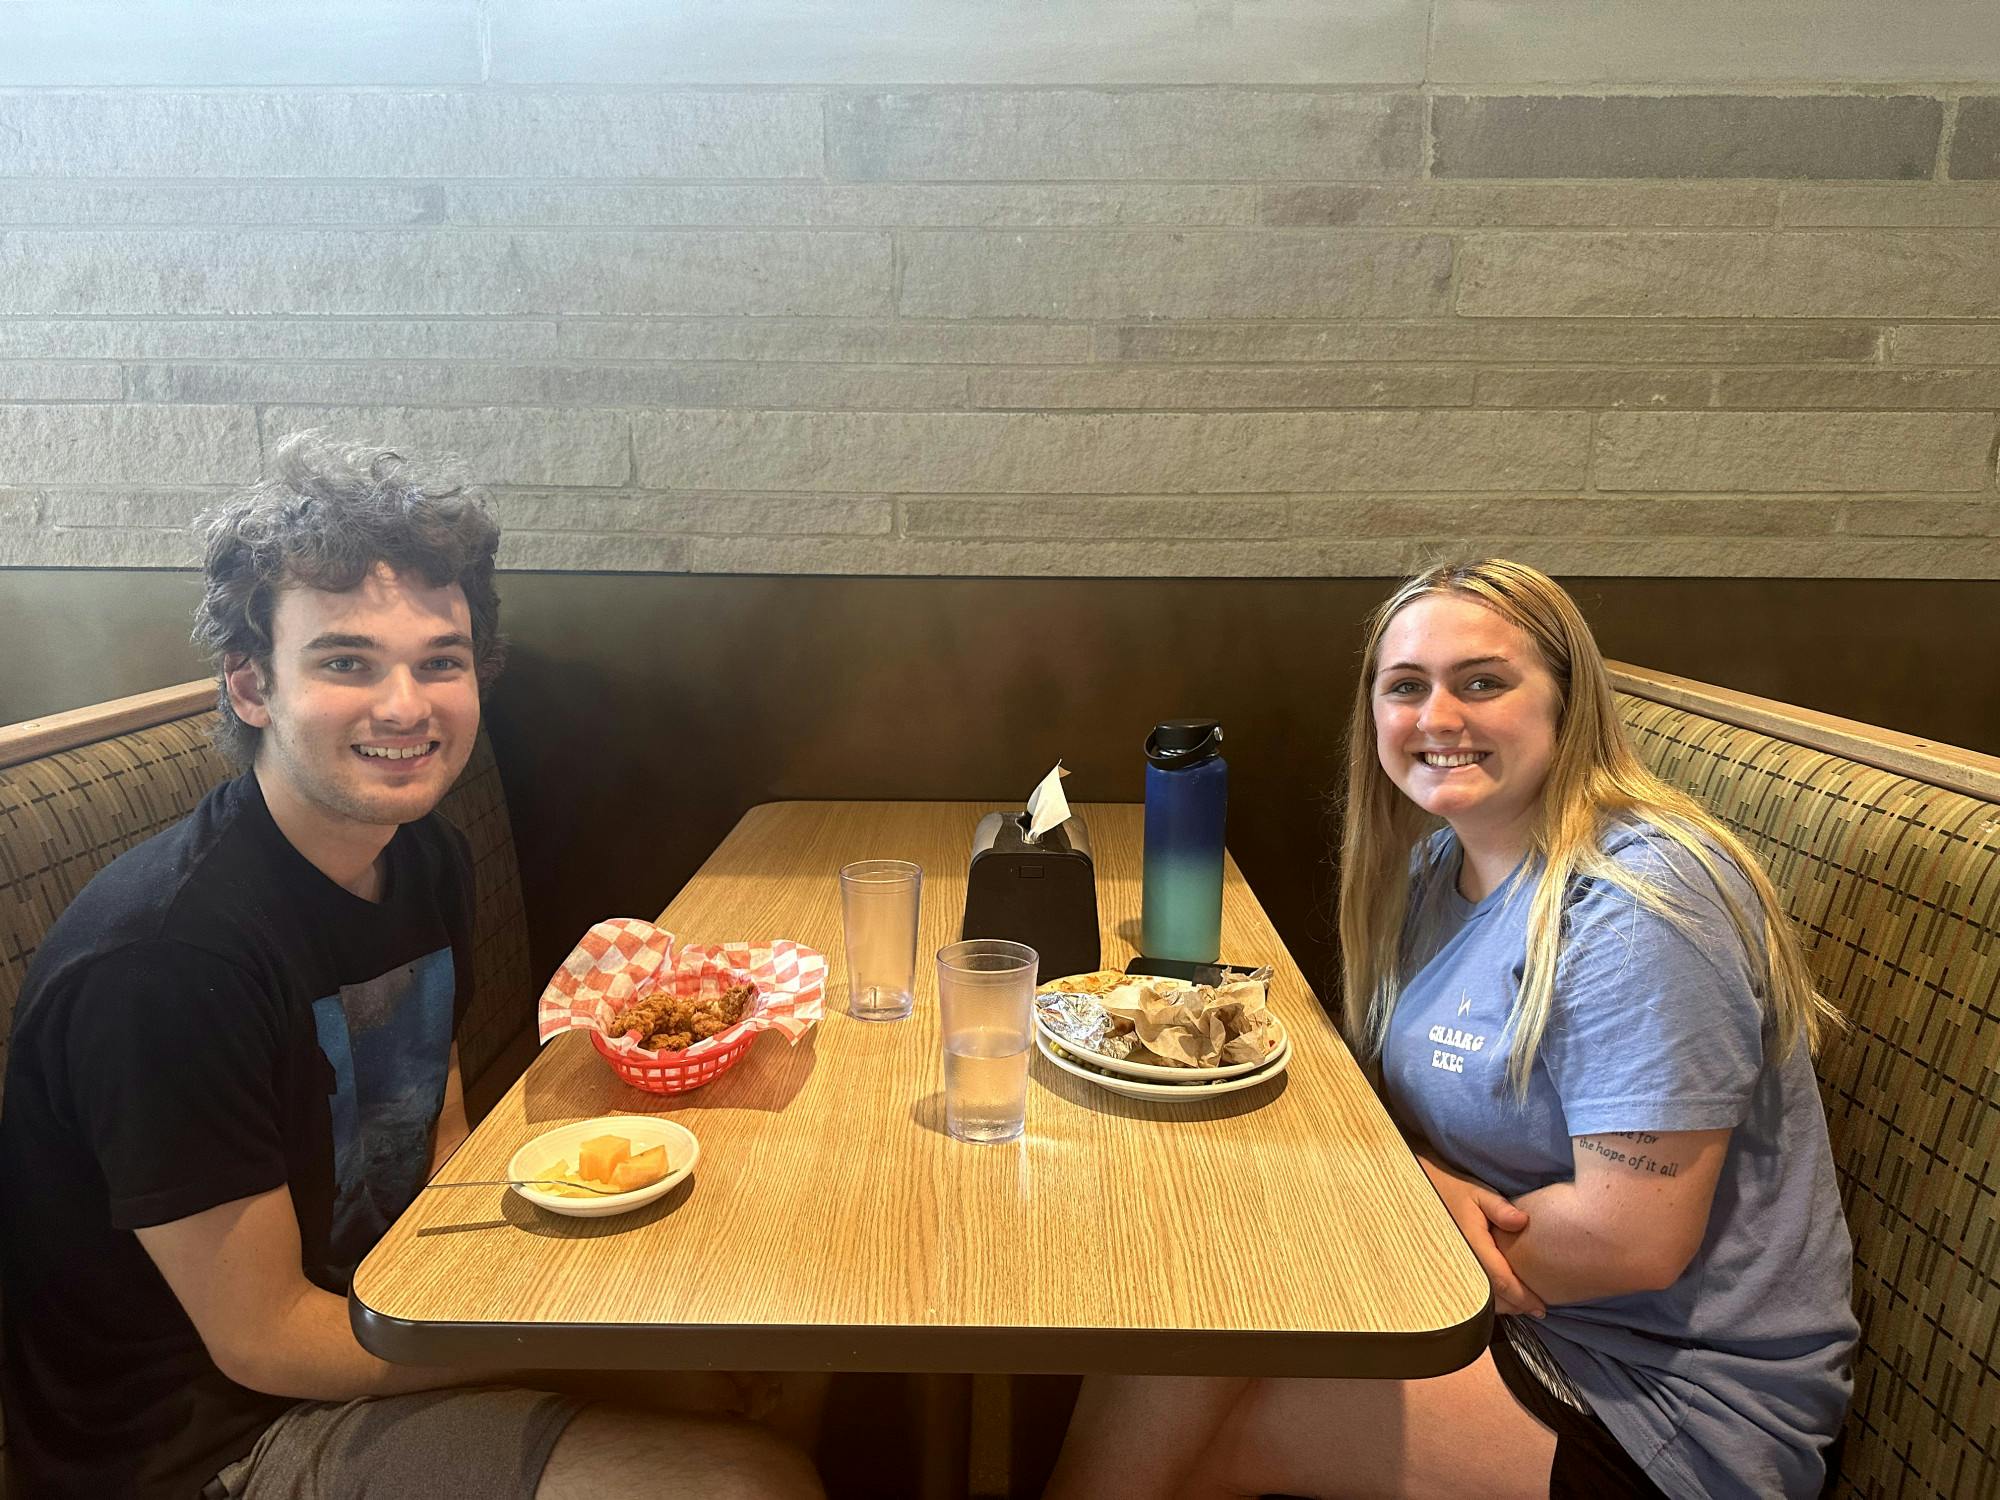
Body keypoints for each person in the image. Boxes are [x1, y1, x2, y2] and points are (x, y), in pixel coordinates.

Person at [0, 432, 822, 1500]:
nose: (405, 705)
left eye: (440, 659)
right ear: (251, 686)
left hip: (377, 1329)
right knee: (736, 1483)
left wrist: (593, 1293)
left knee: (781, 1347)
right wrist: (580, 1340)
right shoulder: (164, 965)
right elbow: (264, 1342)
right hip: (209, 1444)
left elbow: (434, 1151)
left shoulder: (418, 856)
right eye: (346, 661)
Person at [1046, 559, 1857, 1500]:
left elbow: (1627, 1240)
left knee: (1205, 1377)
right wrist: (1418, 1188)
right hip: (1499, 1319)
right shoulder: (1439, 864)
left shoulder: (1641, 905)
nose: (1438, 718)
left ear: (1566, 701)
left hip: (1665, 1406)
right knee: (1194, 1291)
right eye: (1406, 687)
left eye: (1482, 682)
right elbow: (1412, 1129)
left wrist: (1374, 1227)